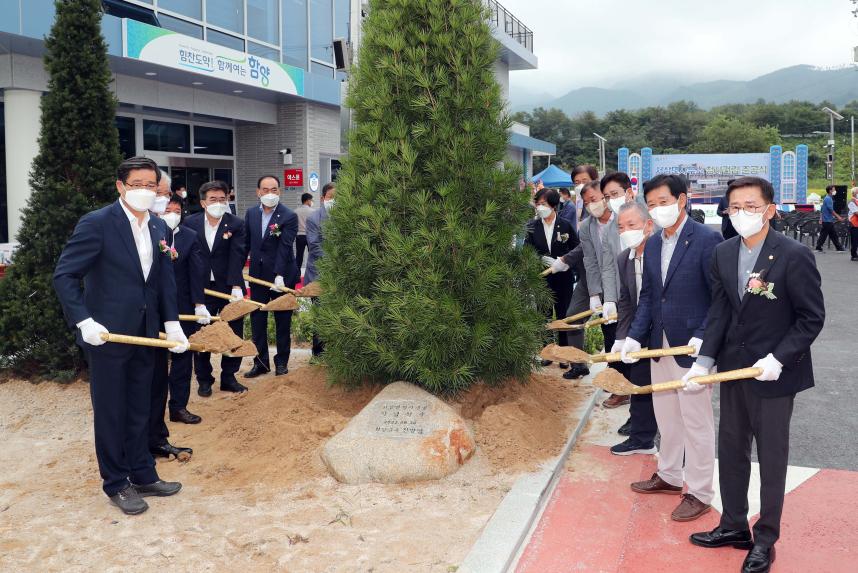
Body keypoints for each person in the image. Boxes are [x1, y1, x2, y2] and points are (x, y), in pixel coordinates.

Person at [689, 177, 825, 573]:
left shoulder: (794, 254)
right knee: (730, 450)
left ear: (769, 209)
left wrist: (779, 359)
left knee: (771, 457)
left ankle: (765, 538)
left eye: (751, 205)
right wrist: (705, 360)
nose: (742, 213)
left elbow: (811, 317)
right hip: (734, 370)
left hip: (774, 375)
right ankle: (733, 525)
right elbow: (720, 311)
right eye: (734, 207)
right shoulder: (723, 252)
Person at [53, 156, 187, 515]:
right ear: (120, 187)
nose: (145, 191)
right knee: (112, 411)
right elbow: (64, 275)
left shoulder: (158, 228)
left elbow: (162, 281)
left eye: (151, 186)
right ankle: (116, 482)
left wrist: (172, 323)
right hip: (108, 336)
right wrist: (84, 321)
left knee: (141, 407)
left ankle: (143, 472)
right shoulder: (98, 223)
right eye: (137, 184)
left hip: (145, 335)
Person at [620, 173, 723, 522]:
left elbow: (719, 296)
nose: (657, 209)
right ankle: (669, 473)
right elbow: (649, 295)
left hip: (691, 347)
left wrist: (704, 333)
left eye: (663, 202)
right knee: (667, 414)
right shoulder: (653, 245)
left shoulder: (708, 239)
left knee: (696, 422)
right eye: (651, 204)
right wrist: (634, 335)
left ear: (682, 200)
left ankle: (699, 491)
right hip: (658, 344)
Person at [147, 174, 206, 464]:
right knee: (152, 367)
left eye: (175, 208)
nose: (170, 213)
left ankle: (178, 407)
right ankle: (151, 426)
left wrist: (199, 304)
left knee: (182, 359)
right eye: (164, 203)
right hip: (148, 311)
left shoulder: (189, 237)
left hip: (180, 309)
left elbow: (196, 273)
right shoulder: (144, 227)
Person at [183, 180, 248, 395]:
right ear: (203, 203)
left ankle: (229, 376)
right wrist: (195, 297)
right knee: (203, 333)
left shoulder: (236, 224)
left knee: (233, 332)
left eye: (223, 199)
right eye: (213, 199)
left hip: (227, 287)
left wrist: (237, 286)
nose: (218, 203)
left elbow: (237, 255)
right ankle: (204, 378)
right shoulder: (190, 223)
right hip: (201, 289)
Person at [610, 201, 659, 455]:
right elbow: (626, 301)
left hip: (664, 330)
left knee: (667, 390)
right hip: (638, 332)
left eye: (632, 225)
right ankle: (642, 437)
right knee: (638, 383)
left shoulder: (661, 252)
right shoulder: (624, 259)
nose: (625, 231)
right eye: (621, 226)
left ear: (648, 226)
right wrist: (622, 337)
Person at [578, 180, 628, 408]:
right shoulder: (587, 227)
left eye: (595, 199)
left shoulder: (624, 218)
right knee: (610, 337)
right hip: (608, 288)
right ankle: (617, 386)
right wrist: (595, 293)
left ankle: (632, 386)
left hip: (629, 286)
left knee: (630, 339)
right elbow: (591, 261)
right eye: (587, 202)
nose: (592, 205)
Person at [244, 175, 300, 378]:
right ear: (258, 192)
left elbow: (285, 248)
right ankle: (260, 363)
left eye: (274, 189)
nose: (270, 193)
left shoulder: (288, 216)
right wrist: (236, 274)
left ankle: (282, 362)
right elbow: (246, 244)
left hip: (282, 275)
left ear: (280, 191)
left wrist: (278, 275)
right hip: (257, 276)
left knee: (282, 320)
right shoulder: (251, 213)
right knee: (258, 319)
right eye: (265, 190)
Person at [525, 189, 579, 368]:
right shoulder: (532, 226)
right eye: (538, 204)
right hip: (543, 279)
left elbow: (577, 248)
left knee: (563, 315)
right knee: (544, 315)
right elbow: (527, 251)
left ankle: (564, 354)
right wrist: (538, 259)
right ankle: (548, 351)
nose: (541, 207)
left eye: (544, 204)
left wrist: (564, 261)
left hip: (563, 278)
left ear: (554, 206)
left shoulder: (565, 225)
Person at [815, 185, 844, 252]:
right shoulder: (828, 199)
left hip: (828, 220)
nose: (835, 191)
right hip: (827, 220)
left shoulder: (828, 198)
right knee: (825, 235)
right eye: (834, 190)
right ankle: (819, 247)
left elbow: (822, 209)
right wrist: (838, 217)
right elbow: (831, 210)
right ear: (830, 191)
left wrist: (821, 218)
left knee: (832, 235)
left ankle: (838, 247)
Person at [294, 192, 315, 274]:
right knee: (312, 255)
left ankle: (297, 273)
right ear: (308, 200)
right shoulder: (313, 211)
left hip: (299, 236)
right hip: (310, 236)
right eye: (311, 200)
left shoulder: (296, 211)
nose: (311, 202)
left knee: (299, 256)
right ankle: (312, 272)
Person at [849, 187, 858, 261]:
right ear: (854, 193)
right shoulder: (851, 202)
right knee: (854, 241)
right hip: (854, 224)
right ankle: (853, 255)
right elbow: (856, 213)